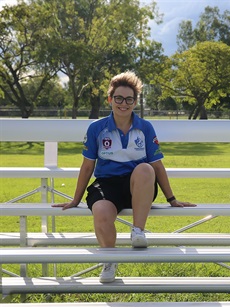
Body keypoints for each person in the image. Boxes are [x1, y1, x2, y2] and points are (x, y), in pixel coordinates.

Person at [53, 71, 196, 283]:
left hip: (138, 186)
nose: (123, 103)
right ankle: (109, 260)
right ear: (110, 99)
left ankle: (138, 231)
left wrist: (171, 198)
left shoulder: (145, 127)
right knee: (101, 211)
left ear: (135, 102)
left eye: (129, 99)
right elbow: (87, 166)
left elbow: (157, 164)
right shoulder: (96, 129)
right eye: (118, 98)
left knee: (145, 169)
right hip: (106, 185)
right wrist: (75, 199)